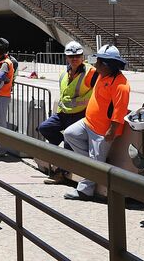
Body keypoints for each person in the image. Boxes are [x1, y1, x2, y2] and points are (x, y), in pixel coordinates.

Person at [63, 44, 130, 200]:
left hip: (102, 130)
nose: (95, 64)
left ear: (107, 65)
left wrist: (112, 130)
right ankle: (96, 162)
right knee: (69, 134)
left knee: (95, 161)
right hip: (88, 122)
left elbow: (119, 111)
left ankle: (85, 191)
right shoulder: (102, 75)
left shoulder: (121, 85)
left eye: (99, 61)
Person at [37, 41, 97, 184]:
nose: (74, 59)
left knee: (69, 142)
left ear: (83, 56)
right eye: (71, 56)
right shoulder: (64, 72)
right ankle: (64, 146)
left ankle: (62, 173)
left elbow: (98, 92)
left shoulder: (91, 72)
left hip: (79, 113)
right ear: (66, 57)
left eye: (77, 56)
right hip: (63, 112)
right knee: (44, 128)